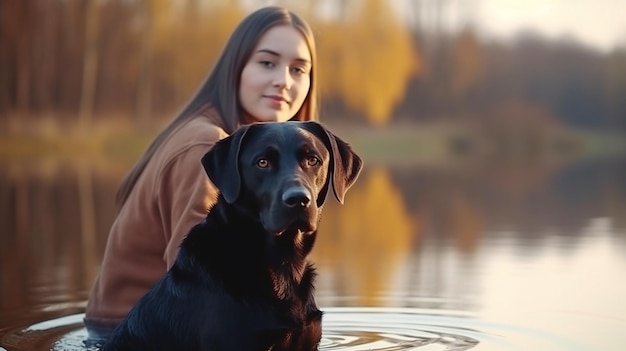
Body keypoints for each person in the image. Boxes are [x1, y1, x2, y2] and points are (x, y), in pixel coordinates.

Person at [84, 5, 319, 340]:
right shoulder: (206, 143)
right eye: (267, 62)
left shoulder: (235, 149)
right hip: (133, 337)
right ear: (235, 68)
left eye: (298, 69)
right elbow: (204, 276)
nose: (283, 81)